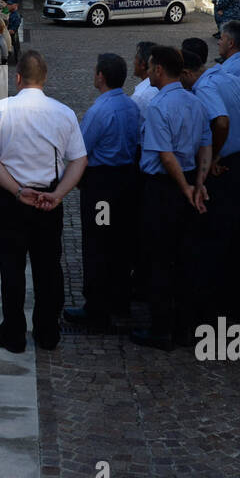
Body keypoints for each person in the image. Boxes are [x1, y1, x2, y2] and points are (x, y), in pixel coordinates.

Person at [0, 50, 88, 353]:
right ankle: (48, 332)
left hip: (13, 200)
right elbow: (79, 160)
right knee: (48, 267)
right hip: (49, 200)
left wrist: (16, 190)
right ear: (45, 78)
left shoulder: (0, 110)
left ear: (18, 78)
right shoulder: (63, 112)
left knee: (11, 268)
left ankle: (13, 333)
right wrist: (59, 193)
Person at [180, 39, 240, 318]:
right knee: (239, 236)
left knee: (215, 237)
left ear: (185, 73)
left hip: (227, 169)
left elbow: (220, 121)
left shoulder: (205, 87)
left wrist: (214, 156)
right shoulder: (227, 77)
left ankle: (213, 308)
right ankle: (233, 303)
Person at [130, 45, 211, 351]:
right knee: (185, 256)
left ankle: (160, 328)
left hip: (164, 188)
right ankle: (184, 325)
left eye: (150, 68)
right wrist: (198, 183)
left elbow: (165, 155)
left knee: (159, 259)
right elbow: (205, 145)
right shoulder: (195, 102)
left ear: (159, 70)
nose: (148, 72)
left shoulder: (158, 106)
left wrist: (185, 187)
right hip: (189, 181)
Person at [66, 53, 140, 329]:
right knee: (121, 241)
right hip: (126, 180)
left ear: (101, 76)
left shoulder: (100, 110)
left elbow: (80, 150)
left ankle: (96, 307)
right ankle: (120, 299)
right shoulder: (132, 106)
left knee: (98, 242)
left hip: (102, 187)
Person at [129, 41, 159, 115]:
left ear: (142, 64)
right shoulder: (162, 84)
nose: (133, 62)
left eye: (135, 58)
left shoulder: (140, 96)